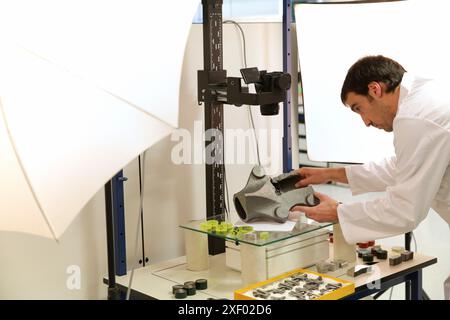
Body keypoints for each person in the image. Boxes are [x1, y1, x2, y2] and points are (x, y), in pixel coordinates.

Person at [290, 55, 450, 298]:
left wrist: (337, 212)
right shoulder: (423, 96)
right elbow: (402, 168)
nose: (365, 122)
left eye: (359, 109)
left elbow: (405, 211)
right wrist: (327, 174)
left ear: (375, 89)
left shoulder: (414, 118)